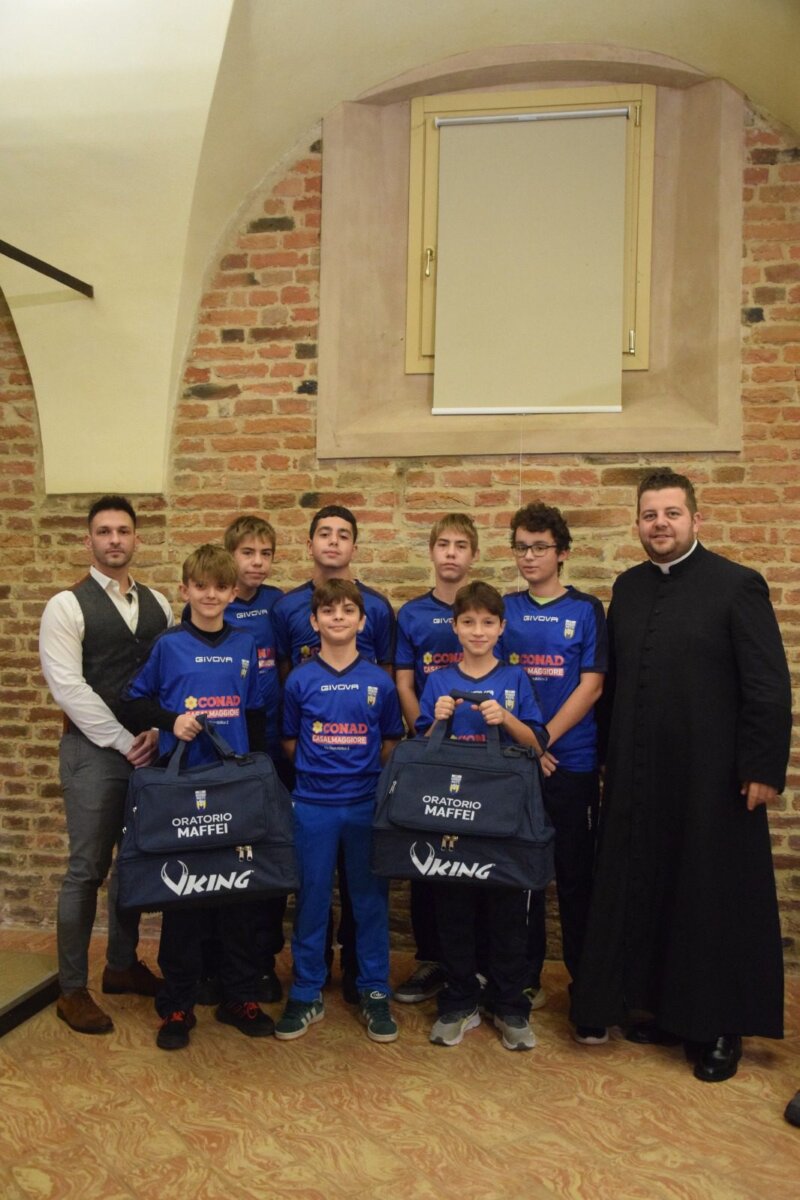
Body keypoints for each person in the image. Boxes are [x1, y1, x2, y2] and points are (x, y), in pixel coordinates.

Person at [570, 470, 792, 1083]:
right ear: (637, 524)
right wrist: (606, 757)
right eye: (649, 515)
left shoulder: (737, 585)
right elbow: (615, 683)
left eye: (671, 513)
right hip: (642, 776)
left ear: (696, 519)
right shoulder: (629, 587)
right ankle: (668, 1010)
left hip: (713, 781)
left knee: (711, 895)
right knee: (653, 888)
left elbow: (768, 684)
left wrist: (762, 767)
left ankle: (720, 1026)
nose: (660, 524)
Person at [122, 544, 273, 1050]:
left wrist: (261, 775)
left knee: (238, 894)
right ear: (185, 590)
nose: (211, 595)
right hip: (183, 784)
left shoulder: (246, 643)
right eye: (201, 586)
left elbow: (254, 713)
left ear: (233, 592)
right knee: (183, 897)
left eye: (220, 587)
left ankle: (239, 996)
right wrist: (171, 721)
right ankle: (178, 1004)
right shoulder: (169, 645)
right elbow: (131, 701)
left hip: (234, 785)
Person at [39, 495, 172, 1034]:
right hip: (93, 752)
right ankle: (72, 990)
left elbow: (168, 678)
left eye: (123, 530)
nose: (114, 539)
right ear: (89, 540)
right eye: (104, 531)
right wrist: (122, 741)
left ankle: (120, 965)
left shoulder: (160, 604)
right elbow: (69, 688)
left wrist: (158, 733)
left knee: (133, 863)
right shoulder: (66, 606)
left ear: (136, 538)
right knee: (86, 870)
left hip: (147, 753)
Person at [416, 581, 551, 1052]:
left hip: (504, 813)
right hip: (452, 812)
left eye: (487, 622)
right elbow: (422, 750)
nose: (478, 631)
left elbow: (536, 744)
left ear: (501, 628)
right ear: (455, 627)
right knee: (453, 907)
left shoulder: (514, 679)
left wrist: (507, 719)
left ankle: (509, 1004)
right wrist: (439, 718)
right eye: (469, 622)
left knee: (508, 909)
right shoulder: (439, 681)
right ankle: (459, 1001)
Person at [271, 504, 395, 1001]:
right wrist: (317, 764)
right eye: (325, 533)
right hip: (313, 795)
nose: (338, 617)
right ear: (314, 619)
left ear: (362, 619)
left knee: (368, 898)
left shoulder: (378, 659)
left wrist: (359, 767)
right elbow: (290, 728)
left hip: (363, 794)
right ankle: (308, 986)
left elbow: (388, 730)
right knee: (312, 895)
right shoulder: (296, 653)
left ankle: (370, 986)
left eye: (343, 534)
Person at [500, 502, 607, 1043]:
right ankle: (524, 979)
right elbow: (496, 682)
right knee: (523, 876)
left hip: (572, 761)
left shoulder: (586, 609)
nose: (529, 556)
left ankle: (589, 990)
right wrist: (528, 744)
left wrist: (545, 739)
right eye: (521, 547)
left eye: (540, 547)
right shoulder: (503, 609)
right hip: (520, 763)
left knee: (574, 876)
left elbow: (591, 685)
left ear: (562, 553)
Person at [192, 515, 286, 1007]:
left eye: (265, 553)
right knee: (213, 855)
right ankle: (208, 962)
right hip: (214, 752)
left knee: (262, 854)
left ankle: (261, 961)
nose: (257, 562)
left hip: (267, 748)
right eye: (247, 553)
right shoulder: (207, 610)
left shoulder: (281, 604)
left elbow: (287, 667)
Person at [393, 513, 479, 1005]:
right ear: (431, 551)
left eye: (460, 545)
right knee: (426, 858)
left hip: (479, 755)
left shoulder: (485, 610)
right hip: (432, 750)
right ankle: (430, 960)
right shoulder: (411, 614)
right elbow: (405, 683)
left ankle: (475, 964)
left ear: (473, 555)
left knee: (475, 858)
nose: (450, 552)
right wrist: (425, 734)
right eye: (443, 543)